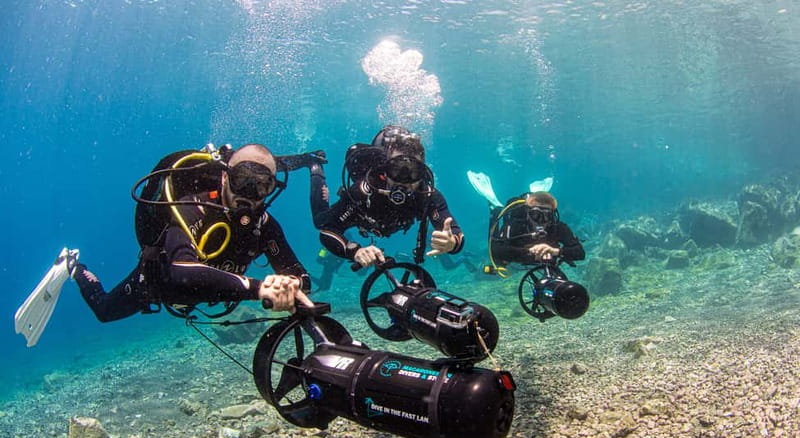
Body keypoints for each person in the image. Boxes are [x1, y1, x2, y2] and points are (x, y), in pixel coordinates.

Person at [15, 143, 315, 346]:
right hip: (161, 284)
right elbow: (182, 271)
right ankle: (73, 266)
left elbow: (301, 275)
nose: (249, 194)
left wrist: (289, 283)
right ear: (225, 177)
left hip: (212, 292)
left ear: (273, 189)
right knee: (105, 311)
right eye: (242, 180)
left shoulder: (265, 226)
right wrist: (259, 287)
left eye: (262, 185)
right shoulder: (191, 208)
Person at [309, 125, 465, 268]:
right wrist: (354, 251)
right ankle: (315, 167)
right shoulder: (365, 191)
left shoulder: (428, 196)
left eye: (413, 171)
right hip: (364, 216)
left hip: (382, 223)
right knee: (319, 221)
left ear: (422, 173)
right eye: (396, 169)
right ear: (385, 170)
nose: (404, 180)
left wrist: (451, 243)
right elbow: (327, 231)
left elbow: (455, 232)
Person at [489, 191, 585, 268]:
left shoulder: (558, 227)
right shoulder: (516, 224)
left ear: (552, 215)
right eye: (536, 214)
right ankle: (495, 210)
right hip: (520, 256)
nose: (541, 220)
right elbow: (496, 251)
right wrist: (530, 251)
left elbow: (580, 253)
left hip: (532, 257)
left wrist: (555, 251)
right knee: (500, 263)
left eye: (547, 215)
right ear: (528, 213)